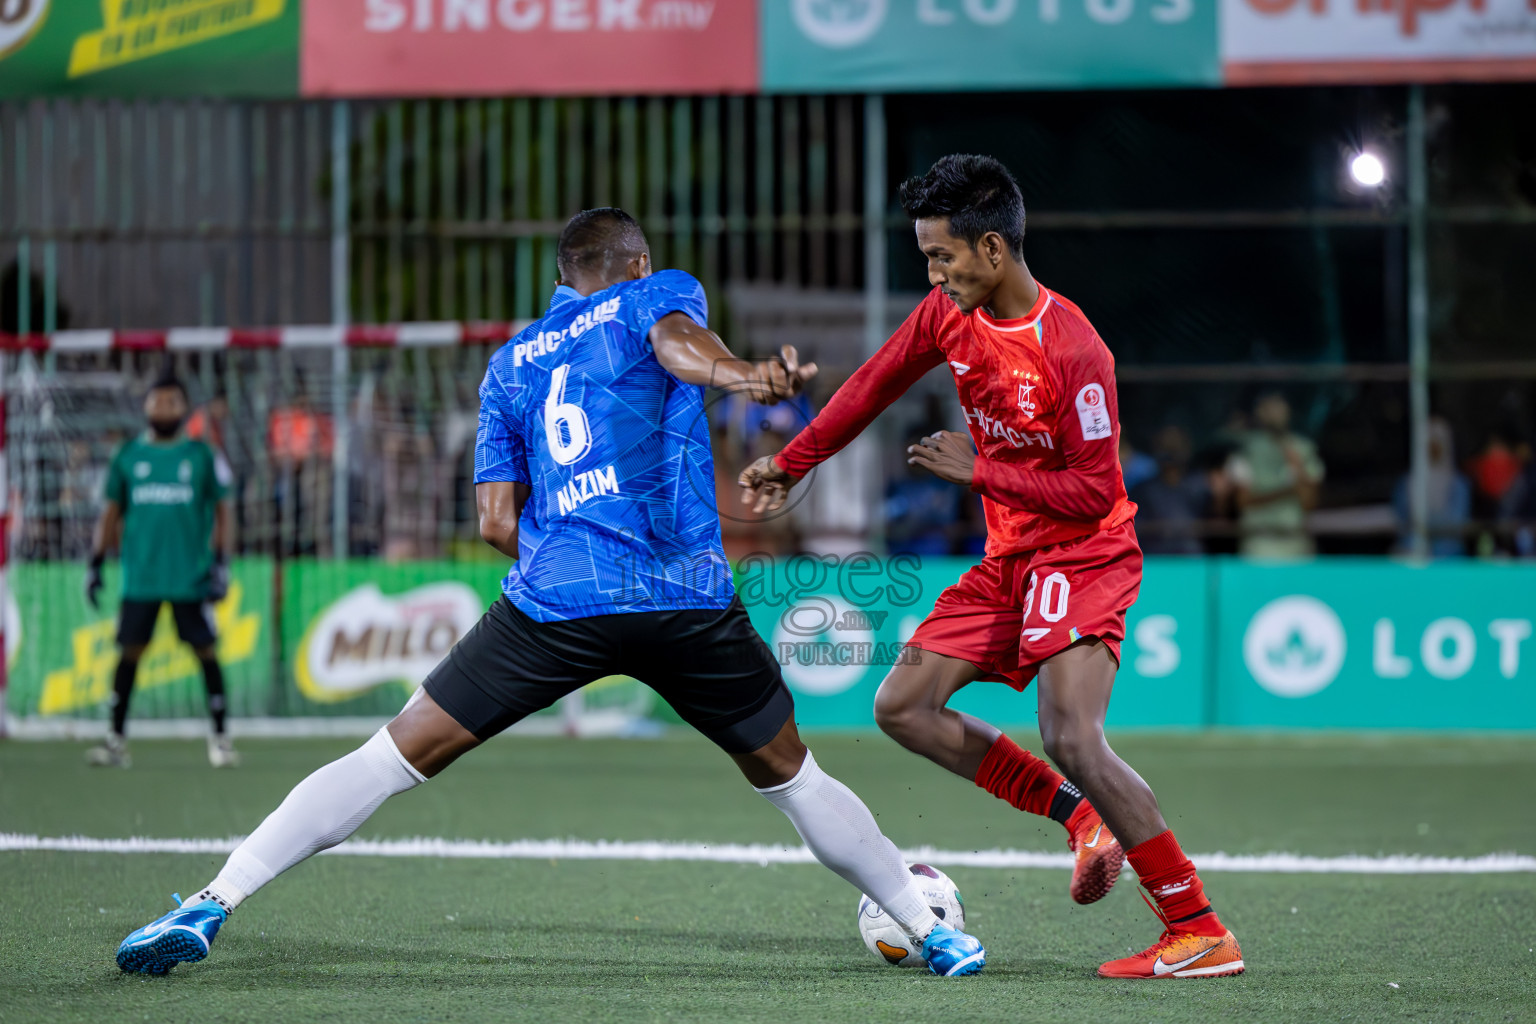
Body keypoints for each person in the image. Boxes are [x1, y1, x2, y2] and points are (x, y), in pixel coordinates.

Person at [114, 208, 986, 979]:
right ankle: (927, 929)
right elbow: (681, 348)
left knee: (388, 756)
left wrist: (564, 557)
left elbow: (496, 522)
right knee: (792, 776)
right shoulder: (659, 292)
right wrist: (746, 377)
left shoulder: (510, 366)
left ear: (560, 279)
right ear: (637, 266)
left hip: (556, 599)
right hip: (684, 598)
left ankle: (212, 901)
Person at [739, 155, 1243, 980]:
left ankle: (1199, 930)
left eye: (942, 257)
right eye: (927, 260)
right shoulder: (946, 315)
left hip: (1084, 552)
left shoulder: (1075, 348)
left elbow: (1093, 491)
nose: (934, 276)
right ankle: (1079, 817)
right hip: (1009, 558)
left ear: (993, 252)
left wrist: (981, 472)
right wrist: (793, 462)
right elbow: (871, 385)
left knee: (1072, 732)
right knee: (902, 705)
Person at [84, 374, 236, 769]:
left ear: (185, 408)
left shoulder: (202, 455)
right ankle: (116, 740)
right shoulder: (127, 456)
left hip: (191, 578)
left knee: (206, 651)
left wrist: (221, 562)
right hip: (142, 578)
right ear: (145, 406)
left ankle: (221, 739)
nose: (163, 407)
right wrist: (96, 562)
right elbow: (111, 512)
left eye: (172, 401)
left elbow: (222, 509)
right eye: (157, 401)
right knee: (129, 653)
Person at [1224, 392, 1324, 559]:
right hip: (1258, 544)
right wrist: (1286, 492)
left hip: (1296, 545)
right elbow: (1242, 502)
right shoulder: (1246, 449)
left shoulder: (1304, 448)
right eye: (1270, 408)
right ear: (1260, 413)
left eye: (1280, 408)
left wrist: (1298, 468)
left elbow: (1310, 503)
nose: (1276, 414)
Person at [1392, 417, 1470, 558]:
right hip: (1412, 554)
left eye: (1437, 443)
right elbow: (1401, 521)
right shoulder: (1406, 483)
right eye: (1428, 444)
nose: (1433, 448)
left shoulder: (1458, 485)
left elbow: (1456, 524)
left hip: (1448, 557)